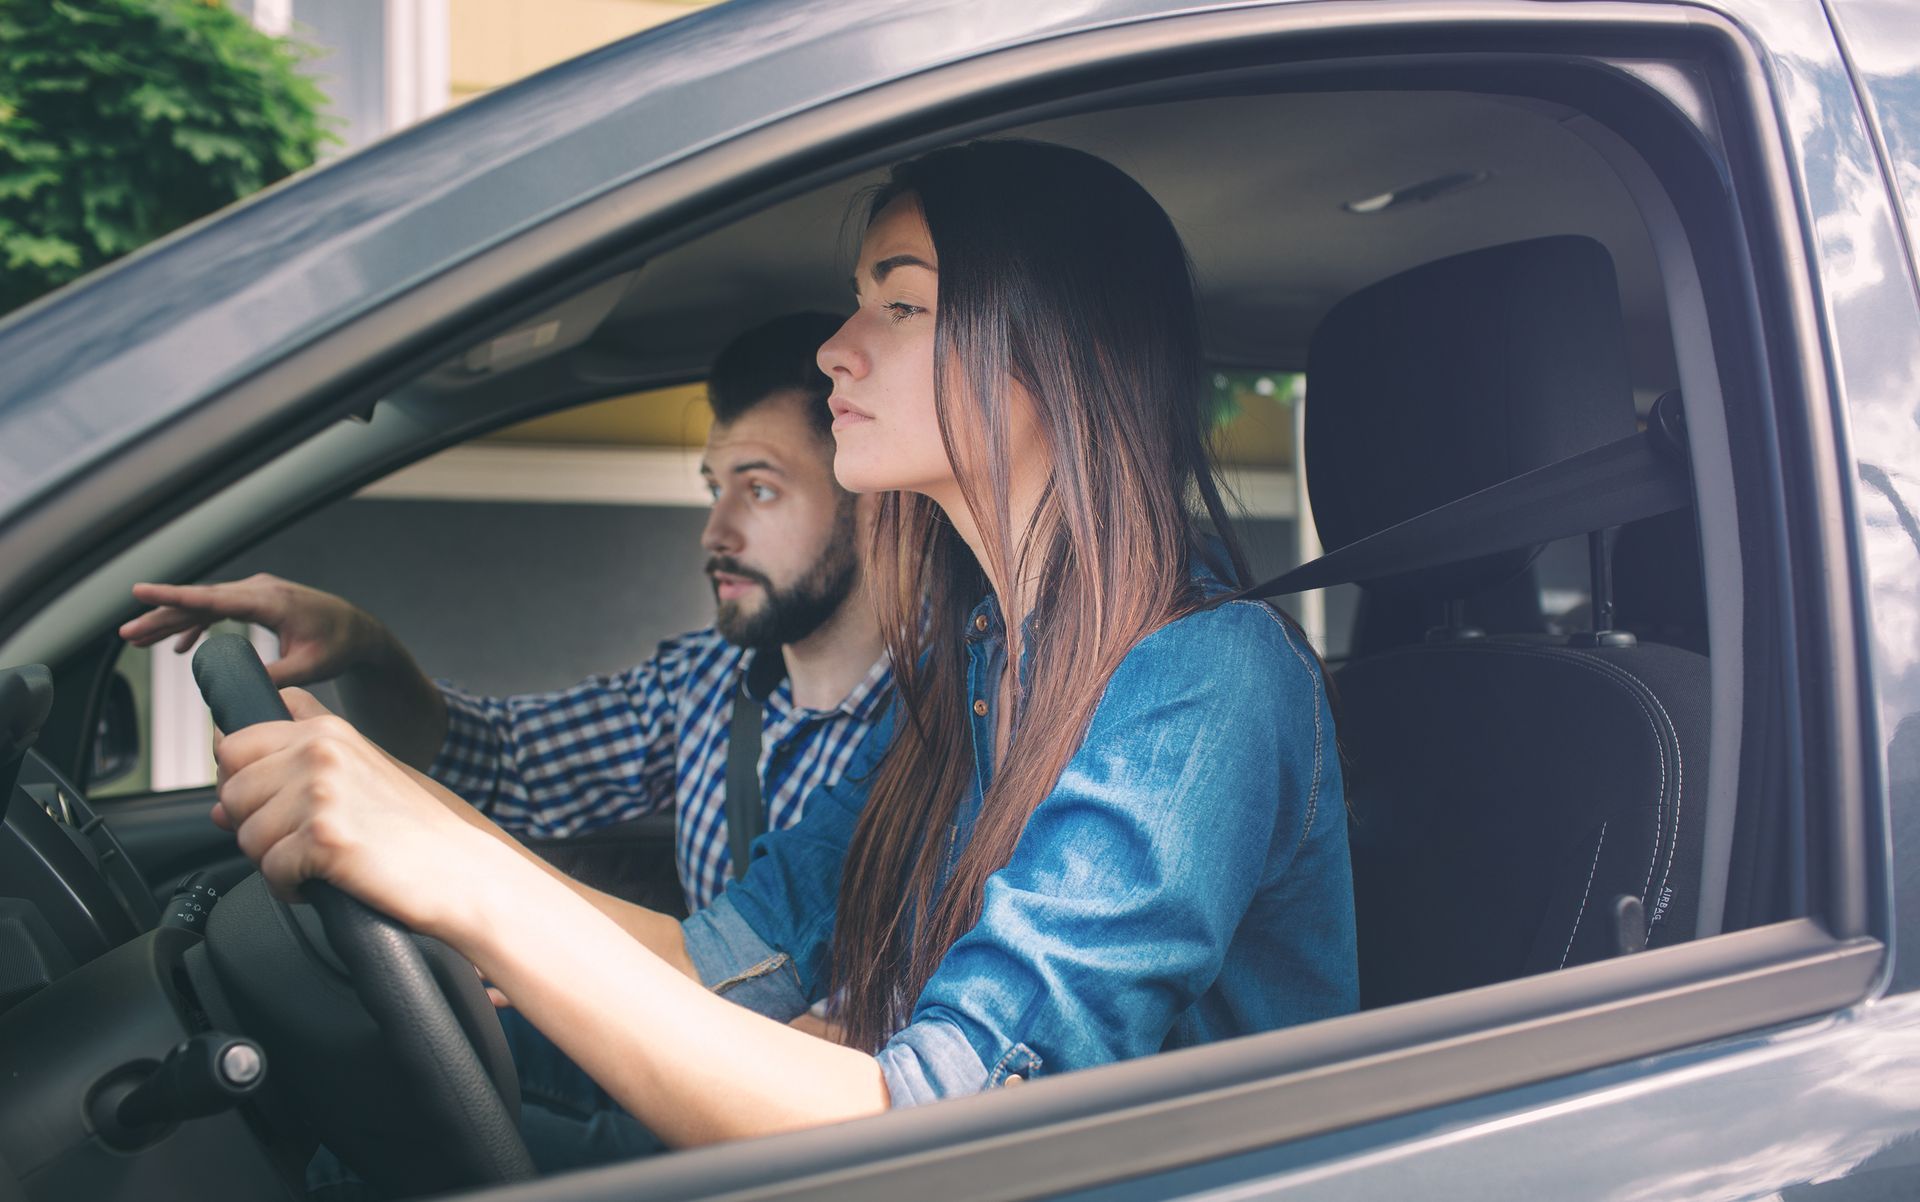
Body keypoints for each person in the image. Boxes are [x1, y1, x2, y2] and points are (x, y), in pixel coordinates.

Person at [208, 139, 1358, 1165]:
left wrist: (469, 880)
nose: (835, 351)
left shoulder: (1205, 679)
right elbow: (723, 956)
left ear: (1060, 349)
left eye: (898, 306)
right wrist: (397, 805)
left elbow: (947, 1134)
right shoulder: (976, 672)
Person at [120, 312, 893, 915]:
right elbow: (500, 763)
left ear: (872, 504)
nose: (714, 532)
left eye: (758, 490)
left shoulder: (946, 725)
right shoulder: (707, 682)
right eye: (712, 488)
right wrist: (365, 647)